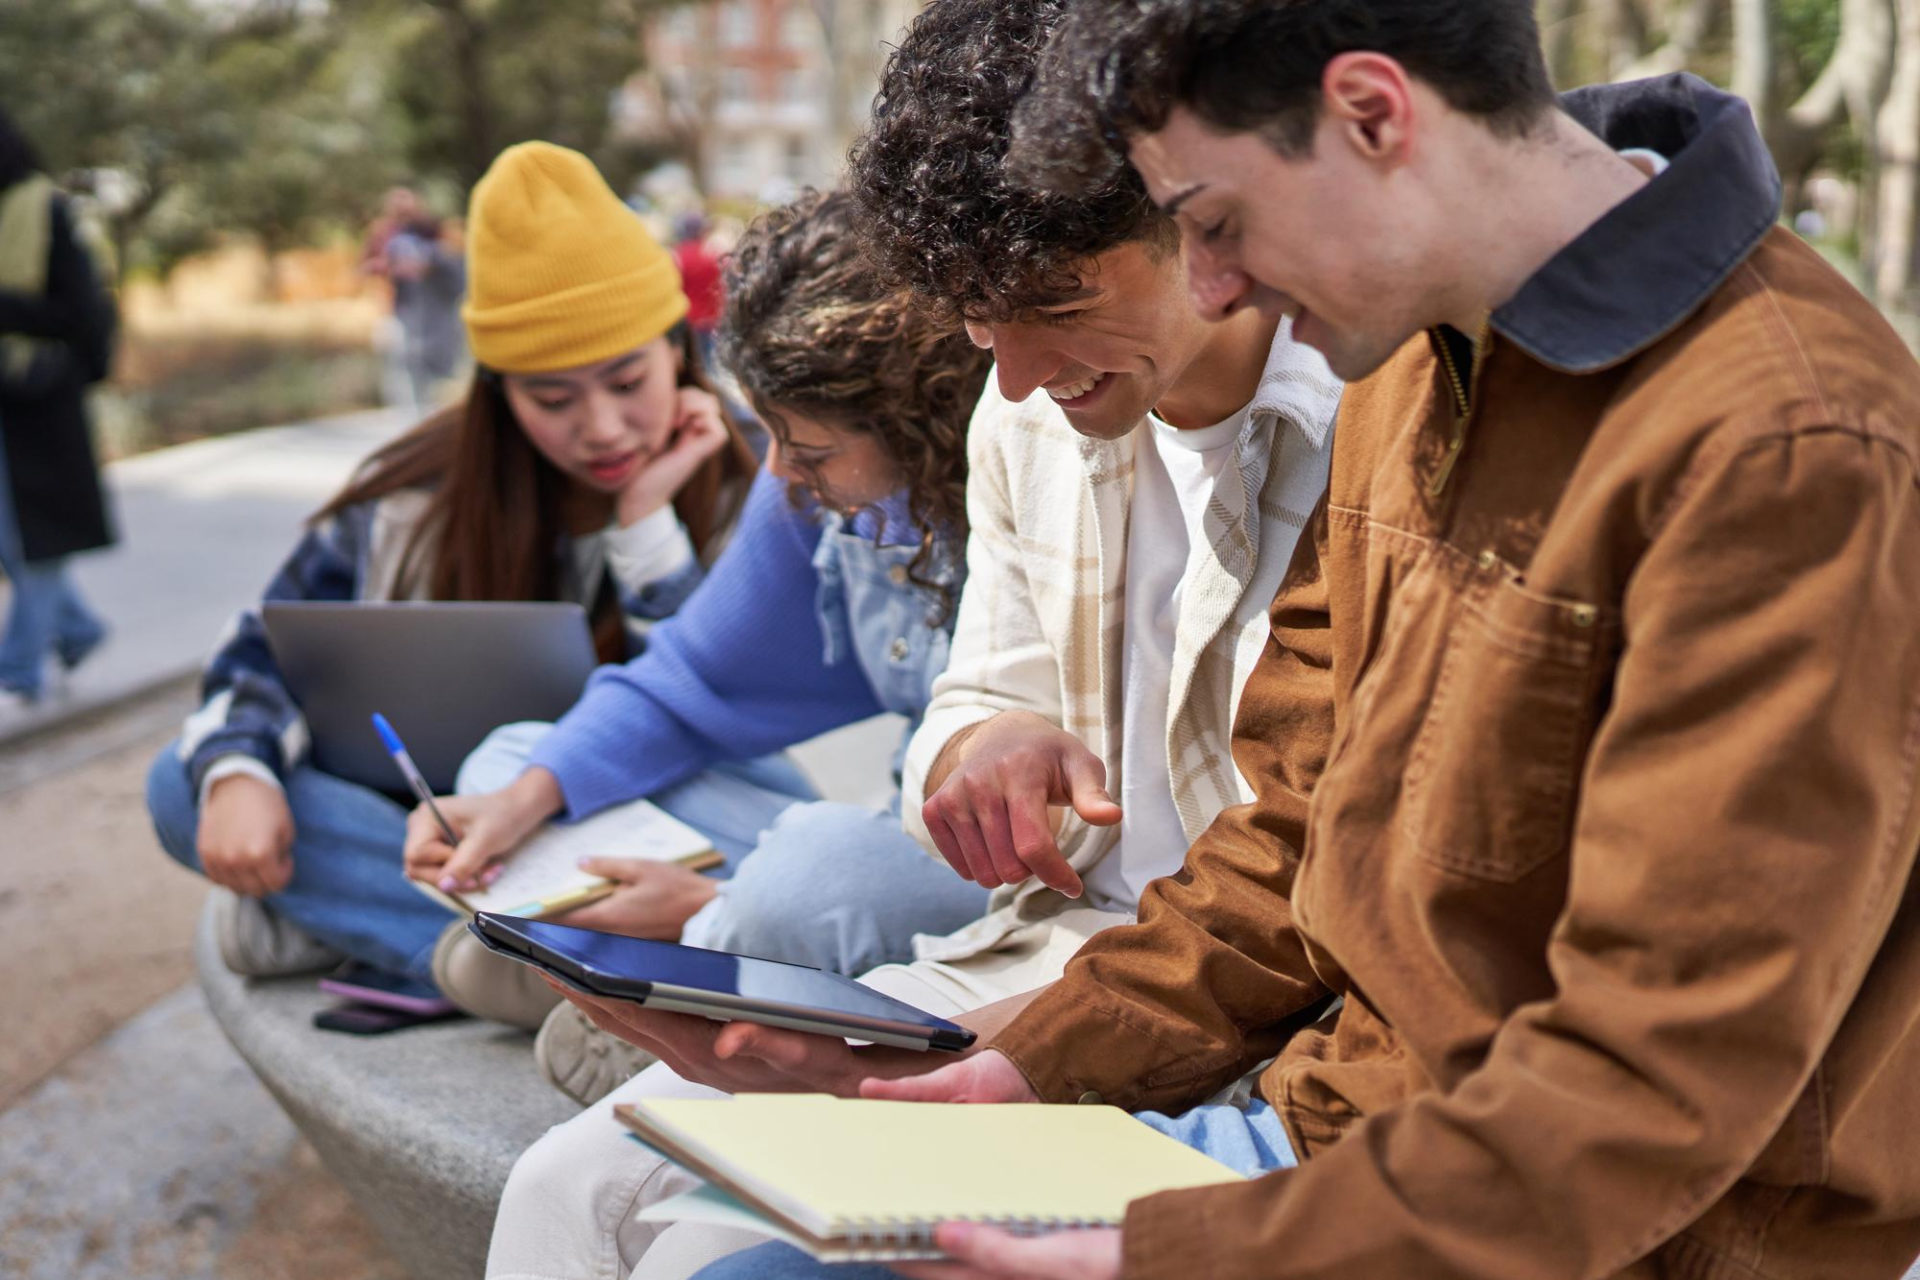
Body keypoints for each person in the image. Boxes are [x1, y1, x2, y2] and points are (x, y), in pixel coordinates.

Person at [698, 2, 1920, 1278]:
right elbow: (1293, 828)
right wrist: (1030, 1062)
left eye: (1218, 226)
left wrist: (1165, 1253)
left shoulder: (1792, 451)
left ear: (1376, 115)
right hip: (1328, 1136)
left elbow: (1655, 1094)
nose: (1215, 291)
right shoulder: (1417, 352)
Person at [480, 2, 1343, 1276]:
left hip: (1223, 1009)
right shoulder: (1026, 418)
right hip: (1045, 946)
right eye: (977, 321)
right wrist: (986, 743)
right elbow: (966, 689)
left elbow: (1305, 882)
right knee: (568, 1187)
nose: (1015, 374)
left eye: (1053, 301)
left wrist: (977, 1051)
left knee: (713, 1241)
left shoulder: (1357, 431)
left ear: (1200, 221)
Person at [405, 189, 995, 1102]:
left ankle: (673, 983)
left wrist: (702, 911)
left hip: (995, 897)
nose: (779, 474)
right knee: (509, 763)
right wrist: (519, 805)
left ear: (922, 430)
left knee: (809, 879)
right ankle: (692, 984)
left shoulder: (1049, 515)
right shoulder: (815, 490)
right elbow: (689, 681)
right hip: (874, 853)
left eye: (808, 449)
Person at [146, 142, 761, 992]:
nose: (603, 428)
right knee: (187, 785)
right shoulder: (416, 494)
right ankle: (510, 969)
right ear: (500, 394)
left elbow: (707, 702)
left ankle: (437, 953)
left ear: (676, 350)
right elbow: (262, 649)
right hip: (445, 832)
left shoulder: (753, 471)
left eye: (627, 381)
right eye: (552, 399)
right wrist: (239, 775)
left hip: (650, 829)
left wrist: (645, 529)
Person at [0, 107, 115, 709]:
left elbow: (81, 314)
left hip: (38, 402)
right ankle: (77, 629)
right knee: (12, 539)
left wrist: (7, 310)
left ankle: (15, 669)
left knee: (32, 540)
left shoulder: (45, 210)